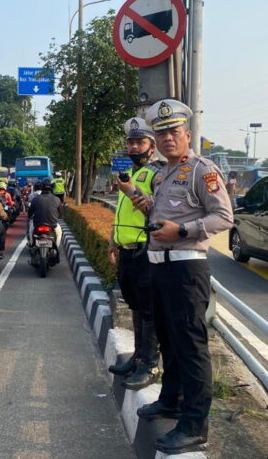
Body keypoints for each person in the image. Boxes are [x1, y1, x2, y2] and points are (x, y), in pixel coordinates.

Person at [133, 99, 233, 455]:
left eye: (173, 132)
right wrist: (141, 201)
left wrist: (182, 230)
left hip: (186, 268)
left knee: (191, 347)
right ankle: (171, 400)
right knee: (169, 340)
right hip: (160, 267)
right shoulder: (163, 173)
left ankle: (194, 425)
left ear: (187, 134)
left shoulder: (201, 170)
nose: (167, 139)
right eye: (161, 133)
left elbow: (223, 217)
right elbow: (162, 212)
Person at [107, 117, 161, 390]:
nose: (134, 147)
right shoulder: (130, 173)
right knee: (137, 308)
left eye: (140, 142)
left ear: (152, 146)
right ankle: (139, 358)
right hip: (127, 251)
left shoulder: (157, 174)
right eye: (130, 142)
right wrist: (112, 241)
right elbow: (121, 214)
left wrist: (132, 192)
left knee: (149, 310)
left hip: (146, 251)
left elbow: (158, 212)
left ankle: (150, 364)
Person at [27, 177, 63, 246]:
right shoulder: (57, 199)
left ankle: (31, 243)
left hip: (37, 224)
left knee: (31, 230)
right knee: (59, 233)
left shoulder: (35, 199)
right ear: (53, 187)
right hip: (53, 224)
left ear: (42, 187)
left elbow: (30, 213)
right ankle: (57, 248)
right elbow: (60, 214)